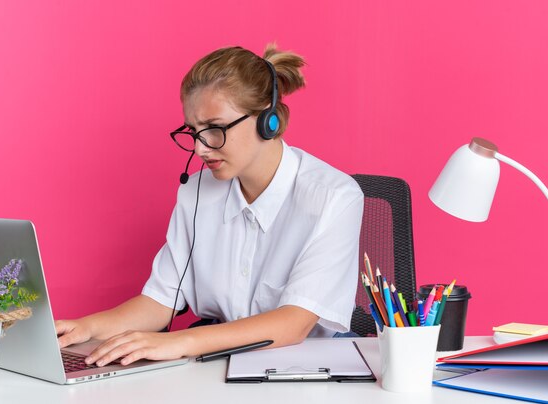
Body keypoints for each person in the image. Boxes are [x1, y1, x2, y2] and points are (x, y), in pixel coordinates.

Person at [56, 44, 364, 367]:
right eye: (194, 131)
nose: (201, 149)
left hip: (306, 367)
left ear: (268, 122)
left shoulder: (334, 197)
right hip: (217, 361)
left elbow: (293, 323)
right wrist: (85, 328)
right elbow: (160, 301)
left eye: (214, 129)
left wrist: (178, 343)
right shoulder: (197, 192)